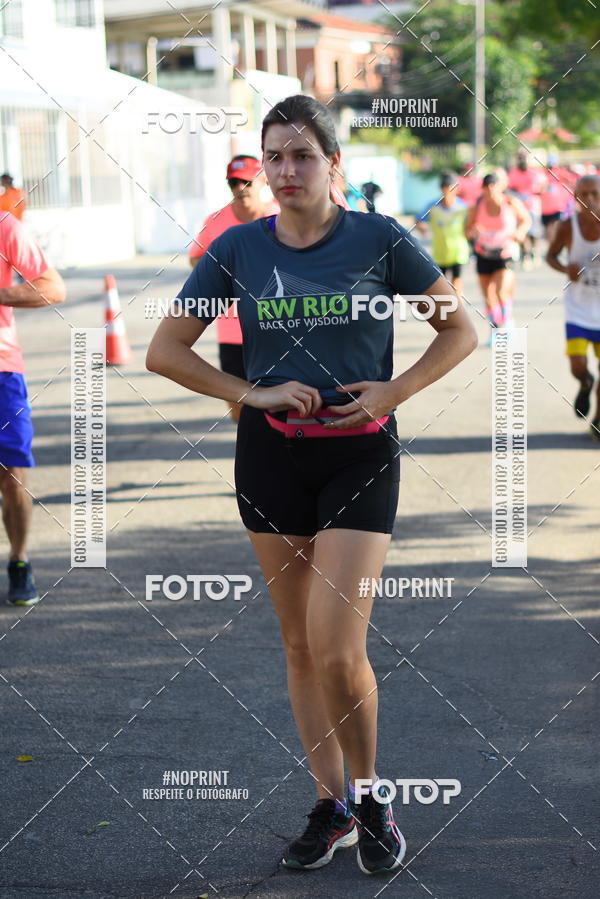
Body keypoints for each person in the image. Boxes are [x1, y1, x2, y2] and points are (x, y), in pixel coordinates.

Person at [147, 94, 477, 876]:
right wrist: (249, 393)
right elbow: (165, 349)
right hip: (270, 457)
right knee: (297, 643)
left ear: (334, 165)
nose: (287, 170)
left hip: (360, 454)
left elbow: (460, 329)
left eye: (302, 155)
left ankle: (372, 799)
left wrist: (396, 389)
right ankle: (329, 805)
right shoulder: (237, 251)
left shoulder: (381, 239)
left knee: (336, 646)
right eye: (276, 157)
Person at [0, 212, 65, 604]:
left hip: (2, 369)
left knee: (12, 476)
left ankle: (19, 560)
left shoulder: (5, 227)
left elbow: (52, 288)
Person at [189, 155, 279, 422]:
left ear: (262, 181)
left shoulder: (282, 215)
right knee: (239, 408)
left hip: (277, 325)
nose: (240, 189)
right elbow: (196, 257)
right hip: (232, 330)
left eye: (247, 182)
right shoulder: (215, 221)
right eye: (234, 183)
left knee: (281, 401)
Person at [545, 174, 600, 440]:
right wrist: (565, 268)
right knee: (578, 366)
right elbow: (550, 255)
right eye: (583, 194)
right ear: (576, 197)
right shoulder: (569, 227)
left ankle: (599, 418)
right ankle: (585, 382)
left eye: (594, 194)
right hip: (578, 311)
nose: (589, 199)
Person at [465, 172, 530, 343]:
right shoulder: (477, 206)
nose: (490, 191)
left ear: (500, 187)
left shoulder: (510, 202)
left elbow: (525, 220)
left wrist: (519, 232)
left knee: (501, 291)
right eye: (487, 188)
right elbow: (467, 230)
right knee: (488, 296)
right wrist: (473, 232)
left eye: (493, 187)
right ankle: (495, 328)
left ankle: (507, 323)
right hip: (483, 253)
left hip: (505, 253)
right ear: (483, 189)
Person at [415, 171, 470, 295]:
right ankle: (447, 312)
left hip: (458, 251)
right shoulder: (432, 206)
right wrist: (422, 227)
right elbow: (418, 219)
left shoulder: (463, 207)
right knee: (443, 287)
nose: (447, 191)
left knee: (456, 283)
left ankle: (458, 310)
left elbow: (470, 224)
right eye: (445, 188)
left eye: (451, 188)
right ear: (441, 188)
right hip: (440, 252)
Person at [507, 150, 546, 267]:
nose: (522, 160)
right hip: (520, 207)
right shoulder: (513, 173)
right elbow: (509, 187)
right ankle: (526, 254)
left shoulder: (534, 173)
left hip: (533, 206)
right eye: (520, 158)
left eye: (523, 158)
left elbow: (543, 186)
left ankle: (535, 252)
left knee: (534, 232)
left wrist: (535, 192)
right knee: (523, 231)